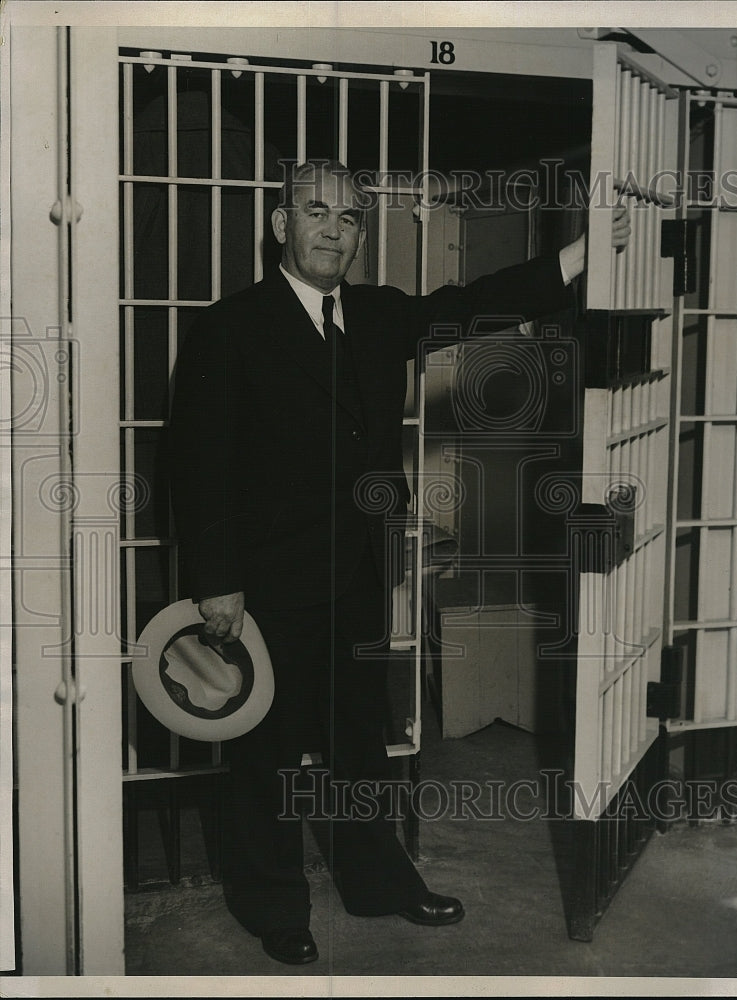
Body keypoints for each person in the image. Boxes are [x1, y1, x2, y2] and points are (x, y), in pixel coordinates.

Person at [169, 159, 630, 965]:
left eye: (348, 218)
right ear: (281, 227)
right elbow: (197, 465)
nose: (331, 229)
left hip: (355, 573)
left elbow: (469, 307)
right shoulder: (229, 325)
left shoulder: (378, 315)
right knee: (263, 749)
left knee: (358, 740)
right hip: (262, 586)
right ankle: (272, 904)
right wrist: (216, 582)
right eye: (314, 212)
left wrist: (576, 258)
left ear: (359, 235)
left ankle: (378, 882)